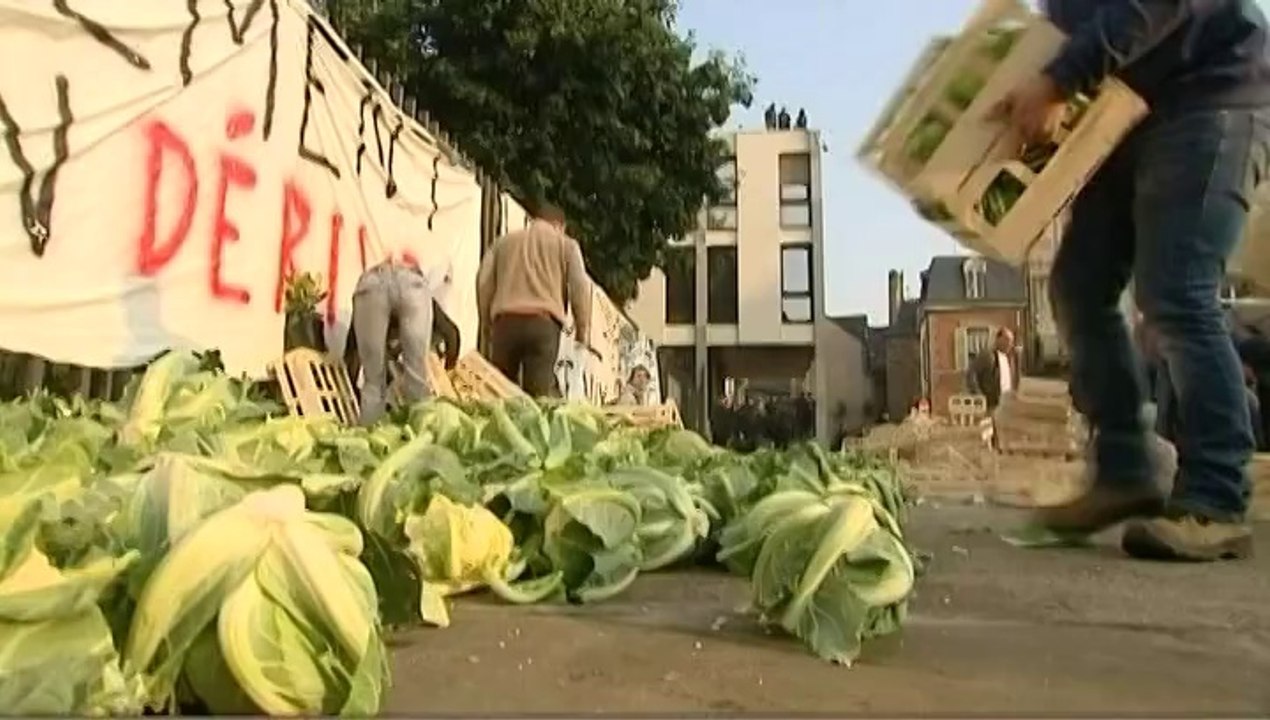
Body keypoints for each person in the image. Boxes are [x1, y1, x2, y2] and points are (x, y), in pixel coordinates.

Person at [995, 0, 1270, 560]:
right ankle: (1125, 470)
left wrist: (1056, 81)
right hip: (1126, 118)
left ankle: (1216, 498)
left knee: (1177, 292)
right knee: (1079, 284)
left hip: (1211, 95)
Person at [477, 203, 591, 398]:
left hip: (505, 324)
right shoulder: (566, 245)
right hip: (543, 326)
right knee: (538, 397)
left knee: (499, 394)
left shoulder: (502, 243)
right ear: (559, 226)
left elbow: (483, 281)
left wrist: (485, 320)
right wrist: (583, 329)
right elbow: (580, 287)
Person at [346, 258, 449, 425]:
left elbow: (352, 348)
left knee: (372, 380)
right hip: (411, 281)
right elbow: (450, 332)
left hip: (372, 282)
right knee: (417, 374)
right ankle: (422, 435)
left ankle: (371, 438)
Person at [967, 327, 1020, 413]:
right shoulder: (988, 356)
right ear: (998, 339)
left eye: (1011, 341)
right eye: (1006, 339)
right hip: (991, 405)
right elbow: (971, 374)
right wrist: (979, 396)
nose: (1009, 343)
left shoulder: (1008, 358)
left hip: (1005, 404)